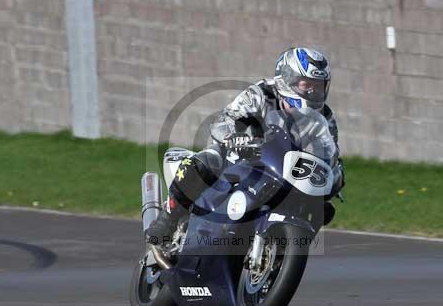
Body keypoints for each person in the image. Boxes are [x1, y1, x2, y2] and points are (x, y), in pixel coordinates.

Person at [146, 46, 345, 245]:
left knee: (321, 208)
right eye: (306, 84)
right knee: (205, 161)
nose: (313, 91)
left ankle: (281, 251)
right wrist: (233, 138)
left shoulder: (325, 117)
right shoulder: (262, 93)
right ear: (288, 79)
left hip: (286, 171)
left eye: (318, 85)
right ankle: (168, 219)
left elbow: (331, 152)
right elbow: (226, 118)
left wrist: (335, 176)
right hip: (247, 157)